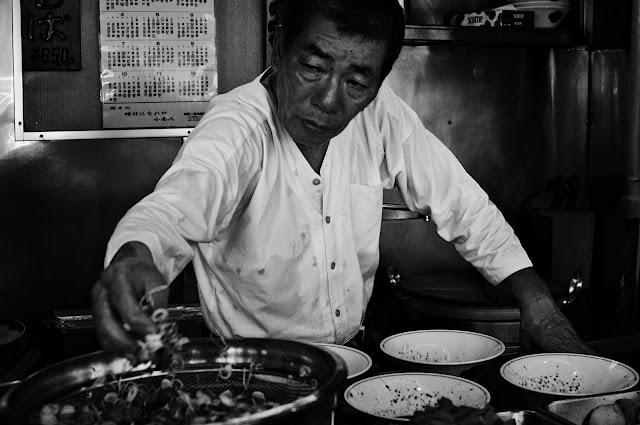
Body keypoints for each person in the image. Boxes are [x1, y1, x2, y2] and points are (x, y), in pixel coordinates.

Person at [91, 0, 593, 356]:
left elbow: (461, 201)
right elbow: (177, 204)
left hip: (354, 357)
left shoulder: (382, 116)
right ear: (277, 47)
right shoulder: (237, 129)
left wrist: (537, 303)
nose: (331, 101)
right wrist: (136, 254)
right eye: (313, 67)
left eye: (357, 82)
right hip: (254, 370)